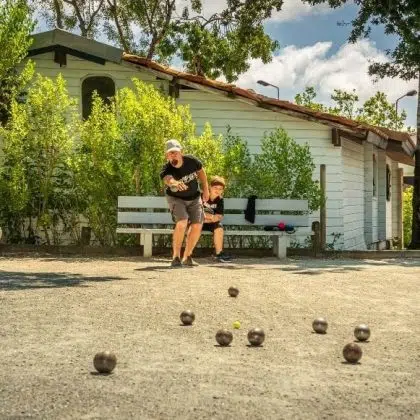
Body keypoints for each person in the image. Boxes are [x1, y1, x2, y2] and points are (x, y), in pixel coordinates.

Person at [160, 139, 209, 268]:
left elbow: (201, 173)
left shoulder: (192, 161)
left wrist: (206, 190)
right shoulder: (167, 168)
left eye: (175, 152)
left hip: (194, 197)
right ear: (167, 155)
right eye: (170, 153)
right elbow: (168, 179)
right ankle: (176, 257)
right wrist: (175, 183)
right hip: (176, 198)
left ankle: (187, 256)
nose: (173, 155)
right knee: (182, 222)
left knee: (197, 225)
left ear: (181, 152)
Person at [201, 176, 232, 262]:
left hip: (210, 223)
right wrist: (211, 217)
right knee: (193, 225)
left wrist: (207, 218)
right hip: (198, 221)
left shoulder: (220, 200)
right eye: (215, 188)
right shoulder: (202, 196)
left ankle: (218, 254)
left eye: (220, 189)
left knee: (219, 228)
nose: (217, 190)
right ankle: (186, 254)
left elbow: (219, 216)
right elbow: (198, 213)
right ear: (210, 187)